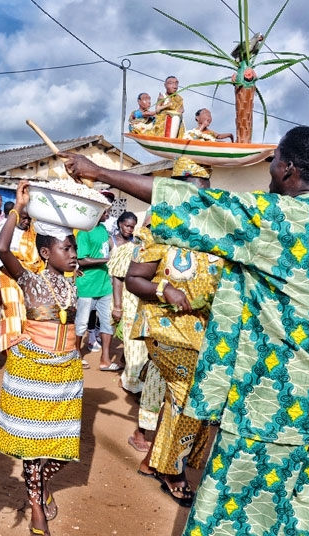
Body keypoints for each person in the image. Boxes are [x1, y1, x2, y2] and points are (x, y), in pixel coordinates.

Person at [61, 125, 309, 536]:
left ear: (288, 168)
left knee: (236, 512)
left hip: (272, 400)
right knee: (302, 511)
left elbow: (188, 205)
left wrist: (99, 172)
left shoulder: (274, 218)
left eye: (274, 162)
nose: (270, 170)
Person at [127, 170, 226, 506]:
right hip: (164, 326)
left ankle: (152, 461)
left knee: (181, 398)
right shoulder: (159, 227)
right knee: (188, 395)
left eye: (205, 194)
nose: (199, 202)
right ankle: (172, 472)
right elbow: (133, 279)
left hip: (202, 330)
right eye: (192, 194)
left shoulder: (215, 233)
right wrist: (164, 290)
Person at [0, 179, 81, 536]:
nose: (73, 254)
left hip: (66, 372)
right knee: (31, 446)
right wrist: (19, 208)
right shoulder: (29, 280)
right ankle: (35, 505)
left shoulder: (73, 282)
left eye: (74, 248)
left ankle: (40, 484)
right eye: (66, 248)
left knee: (62, 447)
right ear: (46, 253)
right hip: (31, 370)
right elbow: (2, 247)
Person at [107, 212, 152, 452]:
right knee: (135, 349)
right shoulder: (127, 251)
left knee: (144, 352)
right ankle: (135, 387)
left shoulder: (159, 252)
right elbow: (117, 279)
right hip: (130, 307)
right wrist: (117, 306)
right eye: (149, 226)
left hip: (149, 312)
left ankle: (134, 383)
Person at [0, 206, 42, 352]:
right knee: (12, 316)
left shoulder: (33, 231)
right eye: (24, 218)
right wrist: (17, 271)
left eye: (29, 219)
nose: (27, 222)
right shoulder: (5, 227)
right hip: (8, 277)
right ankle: (12, 352)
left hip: (29, 279)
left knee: (28, 315)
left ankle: (26, 350)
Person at [75, 211, 118, 371]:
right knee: (82, 323)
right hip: (87, 285)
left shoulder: (103, 230)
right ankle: (76, 355)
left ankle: (105, 360)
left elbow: (107, 248)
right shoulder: (84, 232)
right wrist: (107, 260)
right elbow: (82, 260)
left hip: (104, 285)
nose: (108, 213)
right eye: (105, 211)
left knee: (107, 323)